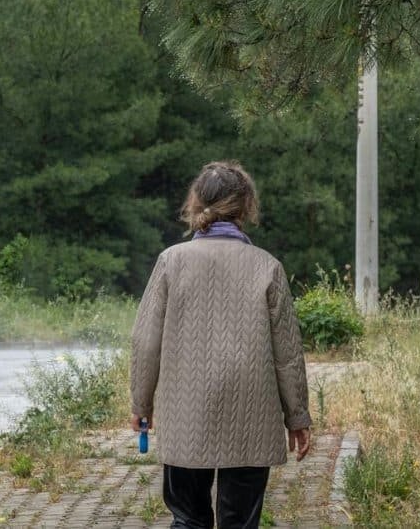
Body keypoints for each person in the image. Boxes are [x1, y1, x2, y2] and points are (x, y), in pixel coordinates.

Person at [131, 161, 312, 529]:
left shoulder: (171, 261)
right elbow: (287, 355)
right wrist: (298, 418)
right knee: (239, 523)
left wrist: (141, 404)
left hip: (186, 413)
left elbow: (145, 340)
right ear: (246, 207)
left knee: (188, 518)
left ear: (195, 203)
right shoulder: (267, 266)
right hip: (252, 416)